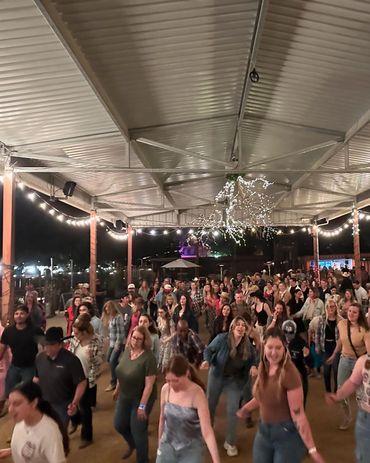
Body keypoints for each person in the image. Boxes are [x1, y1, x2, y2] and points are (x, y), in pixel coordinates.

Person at [237, 327, 324, 463]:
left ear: (285, 348)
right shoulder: (263, 367)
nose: (273, 352)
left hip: (286, 434)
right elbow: (263, 397)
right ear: (264, 347)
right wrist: (246, 408)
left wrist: (312, 449)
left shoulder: (290, 374)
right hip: (264, 431)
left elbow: (299, 415)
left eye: (278, 348)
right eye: (270, 347)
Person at [201, 316, 256, 457]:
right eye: (237, 324)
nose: (240, 327)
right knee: (210, 405)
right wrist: (207, 361)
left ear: (245, 329)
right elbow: (208, 350)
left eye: (243, 325)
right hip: (217, 375)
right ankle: (206, 434)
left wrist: (254, 366)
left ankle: (230, 442)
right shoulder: (222, 338)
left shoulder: (247, 345)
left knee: (233, 410)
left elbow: (252, 359)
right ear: (232, 327)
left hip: (234, 380)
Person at [156, 355, 220, 463]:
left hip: (191, 448)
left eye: (175, 381)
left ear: (186, 373)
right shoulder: (165, 390)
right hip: (167, 444)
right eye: (168, 380)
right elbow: (162, 419)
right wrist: (160, 445)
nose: (171, 385)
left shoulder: (197, 394)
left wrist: (216, 460)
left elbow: (207, 430)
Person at [113, 326, 157, 463]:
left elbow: (149, 385)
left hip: (141, 397)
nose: (135, 341)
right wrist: (117, 389)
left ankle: (142, 459)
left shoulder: (149, 358)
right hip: (125, 395)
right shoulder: (127, 351)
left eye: (139, 339)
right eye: (133, 337)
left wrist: (142, 406)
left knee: (138, 430)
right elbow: (121, 371)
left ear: (144, 340)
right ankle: (133, 444)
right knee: (119, 424)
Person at [326, 302, 370, 430]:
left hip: (359, 361)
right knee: (341, 390)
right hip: (344, 359)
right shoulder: (342, 324)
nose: (351, 314)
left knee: (361, 394)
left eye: (354, 312)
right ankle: (347, 416)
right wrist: (334, 354)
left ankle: (364, 419)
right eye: (350, 311)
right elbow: (341, 340)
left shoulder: (364, 330)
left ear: (359, 314)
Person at [0, 381, 69, 463]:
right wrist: (13, 450)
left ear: (33, 403)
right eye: (9, 404)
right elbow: (34, 443)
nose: (10, 410)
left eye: (17, 404)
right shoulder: (22, 421)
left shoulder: (49, 433)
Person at [34, 327, 87, 428]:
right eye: (45, 345)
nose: (46, 348)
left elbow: (81, 382)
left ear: (60, 345)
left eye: (51, 345)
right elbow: (36, 379)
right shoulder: (39, 358)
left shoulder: (71, 360)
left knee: (58, 432)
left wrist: (74, 403)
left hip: (63, 404)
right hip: (44, 402)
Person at [326, 353, 370, 462]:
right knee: (364, 457)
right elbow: (353, 383)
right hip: (366, 420)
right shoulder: (364, 361)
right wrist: (338, 396)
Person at [68, 314, 103, 447]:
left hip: (87, 378)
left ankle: (87, 436)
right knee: (71, 402)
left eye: (76, 333)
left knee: (84, 408)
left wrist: (92, 357)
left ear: (84, 332)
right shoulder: (74, 340)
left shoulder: (96, 342)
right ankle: (75, 421)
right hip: (73, 376)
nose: (74, 334)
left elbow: (99, 361)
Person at [0, 305, 43, 397]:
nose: (19, 316)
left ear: (27, 315)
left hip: (30, 368)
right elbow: (1, 349)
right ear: (13, 316)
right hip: (14, 367)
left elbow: (45, 348)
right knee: (9, 394)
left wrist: (40, 370)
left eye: (22, 313)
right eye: (16, 313)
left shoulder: (35, 330)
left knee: (27, 396)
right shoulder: (8, 331)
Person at [315, 301, 342, 392]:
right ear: (326, 308)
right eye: (329, 306)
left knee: (335, 370)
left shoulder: (340, 320)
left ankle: (336, 391)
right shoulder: (322, 319)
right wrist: (317, 345)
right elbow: (318, 333)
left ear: (336, 308)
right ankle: (328, 391)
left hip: (336, 347)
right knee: (326, 371)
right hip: (325, 346)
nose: (331, 308)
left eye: (333, 306)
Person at [282, 320, 309, 407]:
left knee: (300, 402)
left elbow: (311, 363)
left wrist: (307, 356)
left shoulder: (301, 342)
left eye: (291, 333)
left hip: (299, 374)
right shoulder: (278, 341)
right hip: (283, 375)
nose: (288, 336)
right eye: (286, 332)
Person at [104, 302, 124, 392]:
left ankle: (113, 382)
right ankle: (119, 376)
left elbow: (121, 333)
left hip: (117, 343)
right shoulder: (111, 318)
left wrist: (117, 344)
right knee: (109, 359)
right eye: (106, 309)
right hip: (112, 342)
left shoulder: (118, 317)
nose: (107, 311)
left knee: (112, 361)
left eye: (108, 309)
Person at [157, 307, 175, 373]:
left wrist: (166, 340)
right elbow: (159, 329)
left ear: (165, 312)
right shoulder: (159, 319)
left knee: (166, 359)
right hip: (161, 340)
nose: (160, 314)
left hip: (168, 341)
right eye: (159, 312)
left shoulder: (170, 321)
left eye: (161, 312)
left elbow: (173, 334)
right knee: (160, 357)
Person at [0, 322, 11, 417]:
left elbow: (2, 350)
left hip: (3, 363)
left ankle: (1, 407)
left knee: (2, 385)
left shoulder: (2, 331)